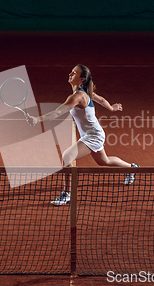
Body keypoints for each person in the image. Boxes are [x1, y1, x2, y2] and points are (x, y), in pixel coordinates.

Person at [28, 64, 139, 206]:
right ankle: (132, 168)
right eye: (71, 72)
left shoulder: (78, 96)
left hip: (93, 136)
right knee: (104, 161)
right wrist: (111, 108)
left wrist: (37, 119)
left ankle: (67, 194)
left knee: (67, 156)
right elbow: (101, 100)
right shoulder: (86, 91)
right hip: (93, 134)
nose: (70, 74)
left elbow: (57, 113)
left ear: (81, 79)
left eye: (74, 73)